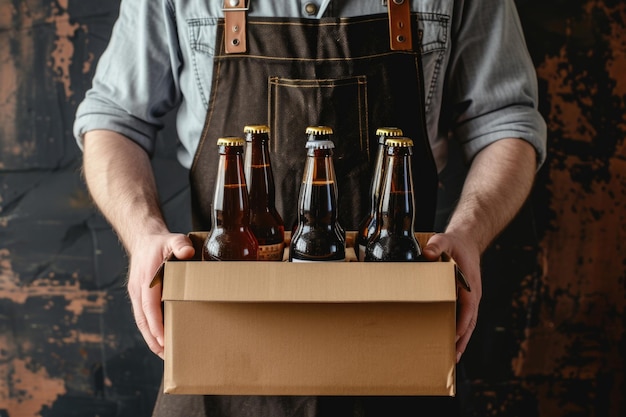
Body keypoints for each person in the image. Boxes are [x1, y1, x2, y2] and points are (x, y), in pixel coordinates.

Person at [73, 0, 547, 416]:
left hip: (396, 339)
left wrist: (468, 232)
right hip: (222, 346)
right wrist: (143, 234)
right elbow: (115, 119)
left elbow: (506, 120)